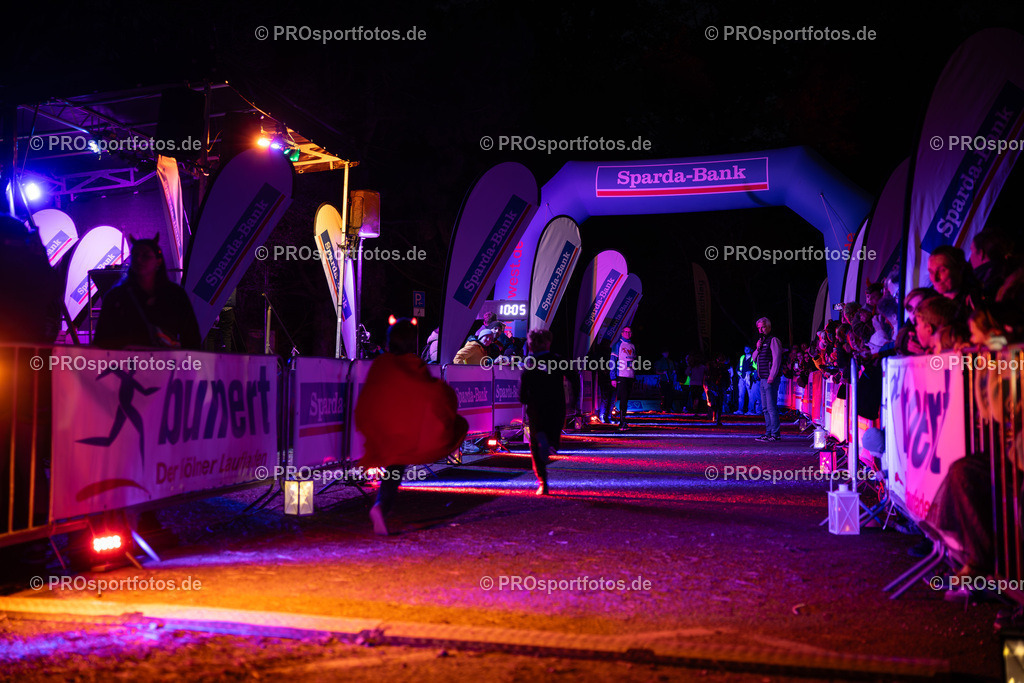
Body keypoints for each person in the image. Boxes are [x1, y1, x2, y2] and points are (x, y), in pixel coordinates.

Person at [355, 319, 469, 535]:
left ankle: (381, 505)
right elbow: (431, 393)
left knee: (394, 465)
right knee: (396, 464)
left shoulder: (381, 364)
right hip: (405, 431)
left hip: (386, 428)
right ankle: (381, 505)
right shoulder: (414, 364)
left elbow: (370, 395)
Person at [94, 236, 201, 350]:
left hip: (166, 364)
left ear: (158, 261)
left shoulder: (176, 295)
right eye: (135, 255)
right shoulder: (116, 296)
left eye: (145, 255)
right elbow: (101, 339)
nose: (139, 259)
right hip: (125, 364)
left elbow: (191, 338)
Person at [519, 328, 578, 495]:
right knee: (554, 434)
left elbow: (523, 390)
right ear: (548, 343)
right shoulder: (558, 360)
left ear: (530, 345)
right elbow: (574, 376)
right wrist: (574, 399)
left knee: (535, 448)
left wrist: (524, 398)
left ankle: (543, 483)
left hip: (536, 408)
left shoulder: (529, 364)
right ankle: (552, 444)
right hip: (557, 405)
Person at [753, 317, 782, 442]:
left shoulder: (773, 340)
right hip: (762, 378)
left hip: (770, 378)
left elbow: (776, 359)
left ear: (769, 327)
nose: (761, 330)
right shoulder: (761, 342)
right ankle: (769, 432)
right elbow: (754, 359)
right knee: (764, 408)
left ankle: (775, 433)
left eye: (763, 327)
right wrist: (757, 348)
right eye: (759, 328)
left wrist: (772, 375)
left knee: (771, 407)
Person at [609, 327, 636, 430]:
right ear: (622, 333)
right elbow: (612, 361)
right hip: (621, 375)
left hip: (630, 375)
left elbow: (634, 362)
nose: (628, 333)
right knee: (623, 398)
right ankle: (622, 422)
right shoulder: (617, 345)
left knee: (626, 398)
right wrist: (613, 377)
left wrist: (634, 376)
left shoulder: (632, 346)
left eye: (630, 332)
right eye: (626, 332)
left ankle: (624, 420)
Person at [735, 346, 754, 414]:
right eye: (745, 348)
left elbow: (756, 368)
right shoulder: (742, 357)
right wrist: (738, 372)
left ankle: (750, 410)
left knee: (750, 395)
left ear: (750, 349)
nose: (746, 349)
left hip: (749, 378)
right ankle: (740, 410)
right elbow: (737, 368)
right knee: (741, 395)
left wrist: (751, 372)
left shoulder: (753, 358)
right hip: (742, 378)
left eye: (748, 348)